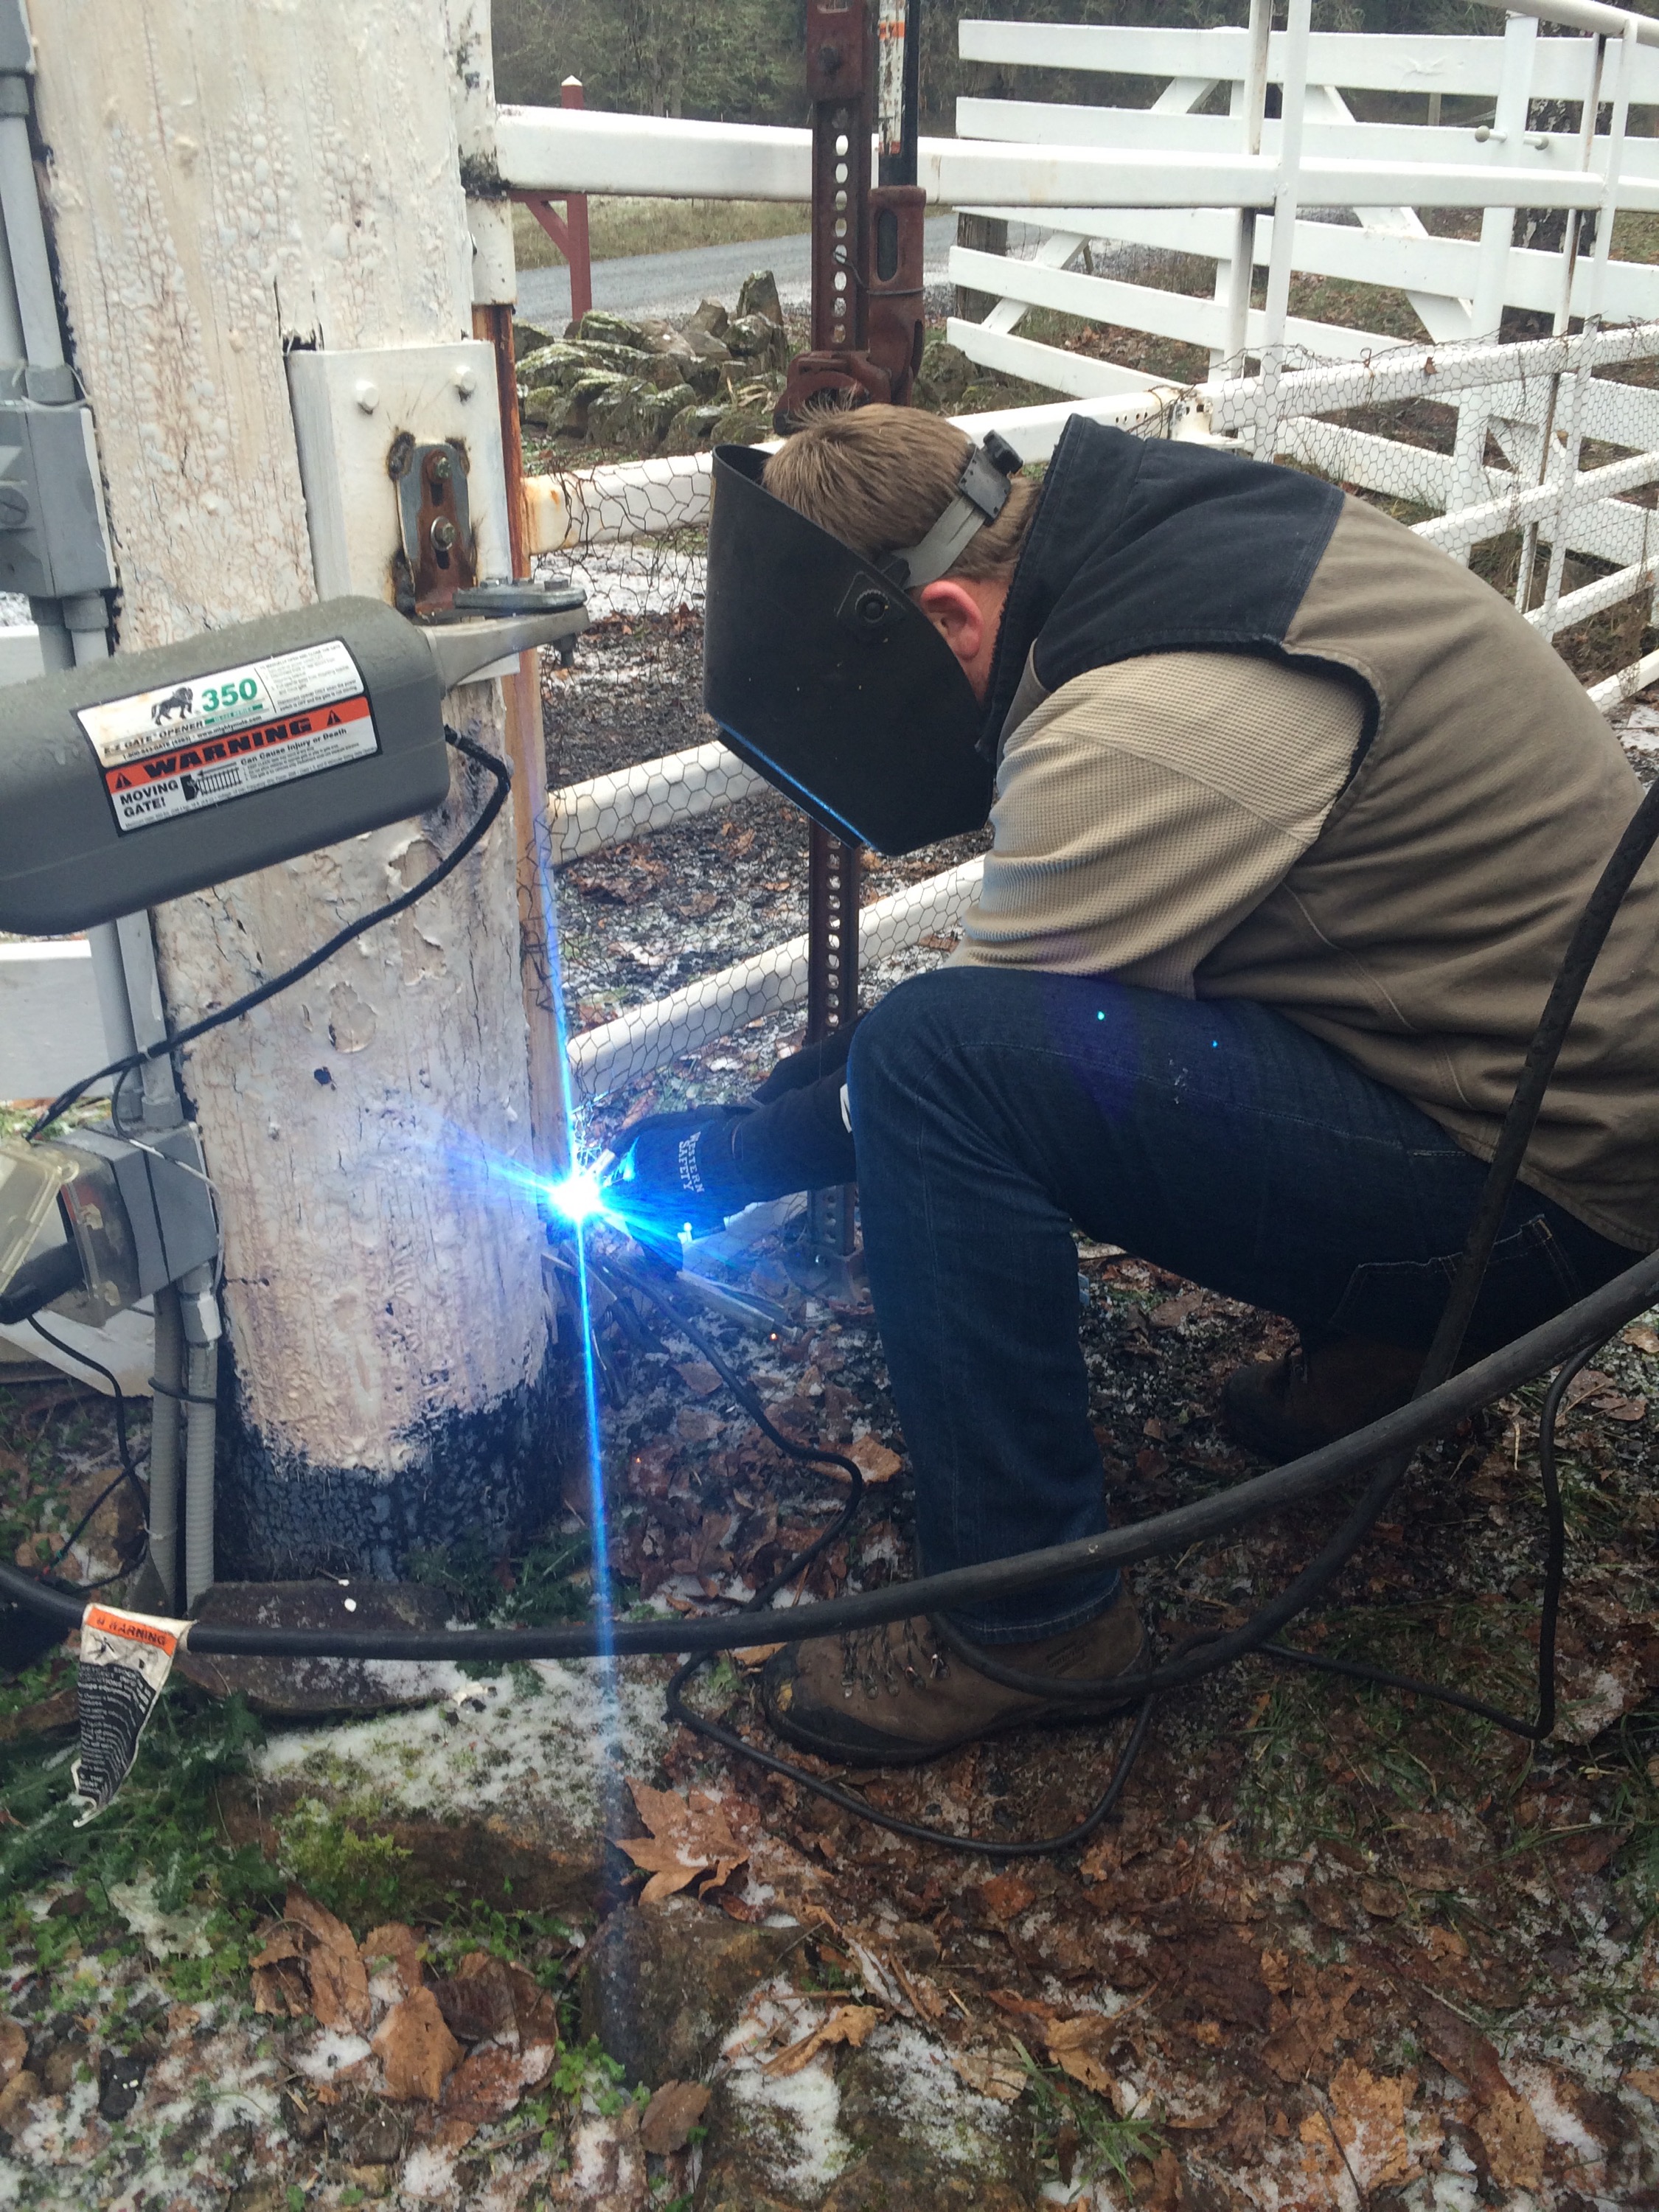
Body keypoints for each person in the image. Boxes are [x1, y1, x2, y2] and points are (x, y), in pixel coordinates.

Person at [605, 403, 1658, 1767]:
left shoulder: (1145, 722)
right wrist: (782, 1097)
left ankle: (1030, 1621)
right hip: (1544, 1093)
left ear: (944, 618)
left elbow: (948, 1063)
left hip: (1546, 1209)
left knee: (936, 1067)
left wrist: (709, 1164)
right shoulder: (1193, 538)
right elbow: (1020, 1000)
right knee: (950, 1044)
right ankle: (1387, 1357)